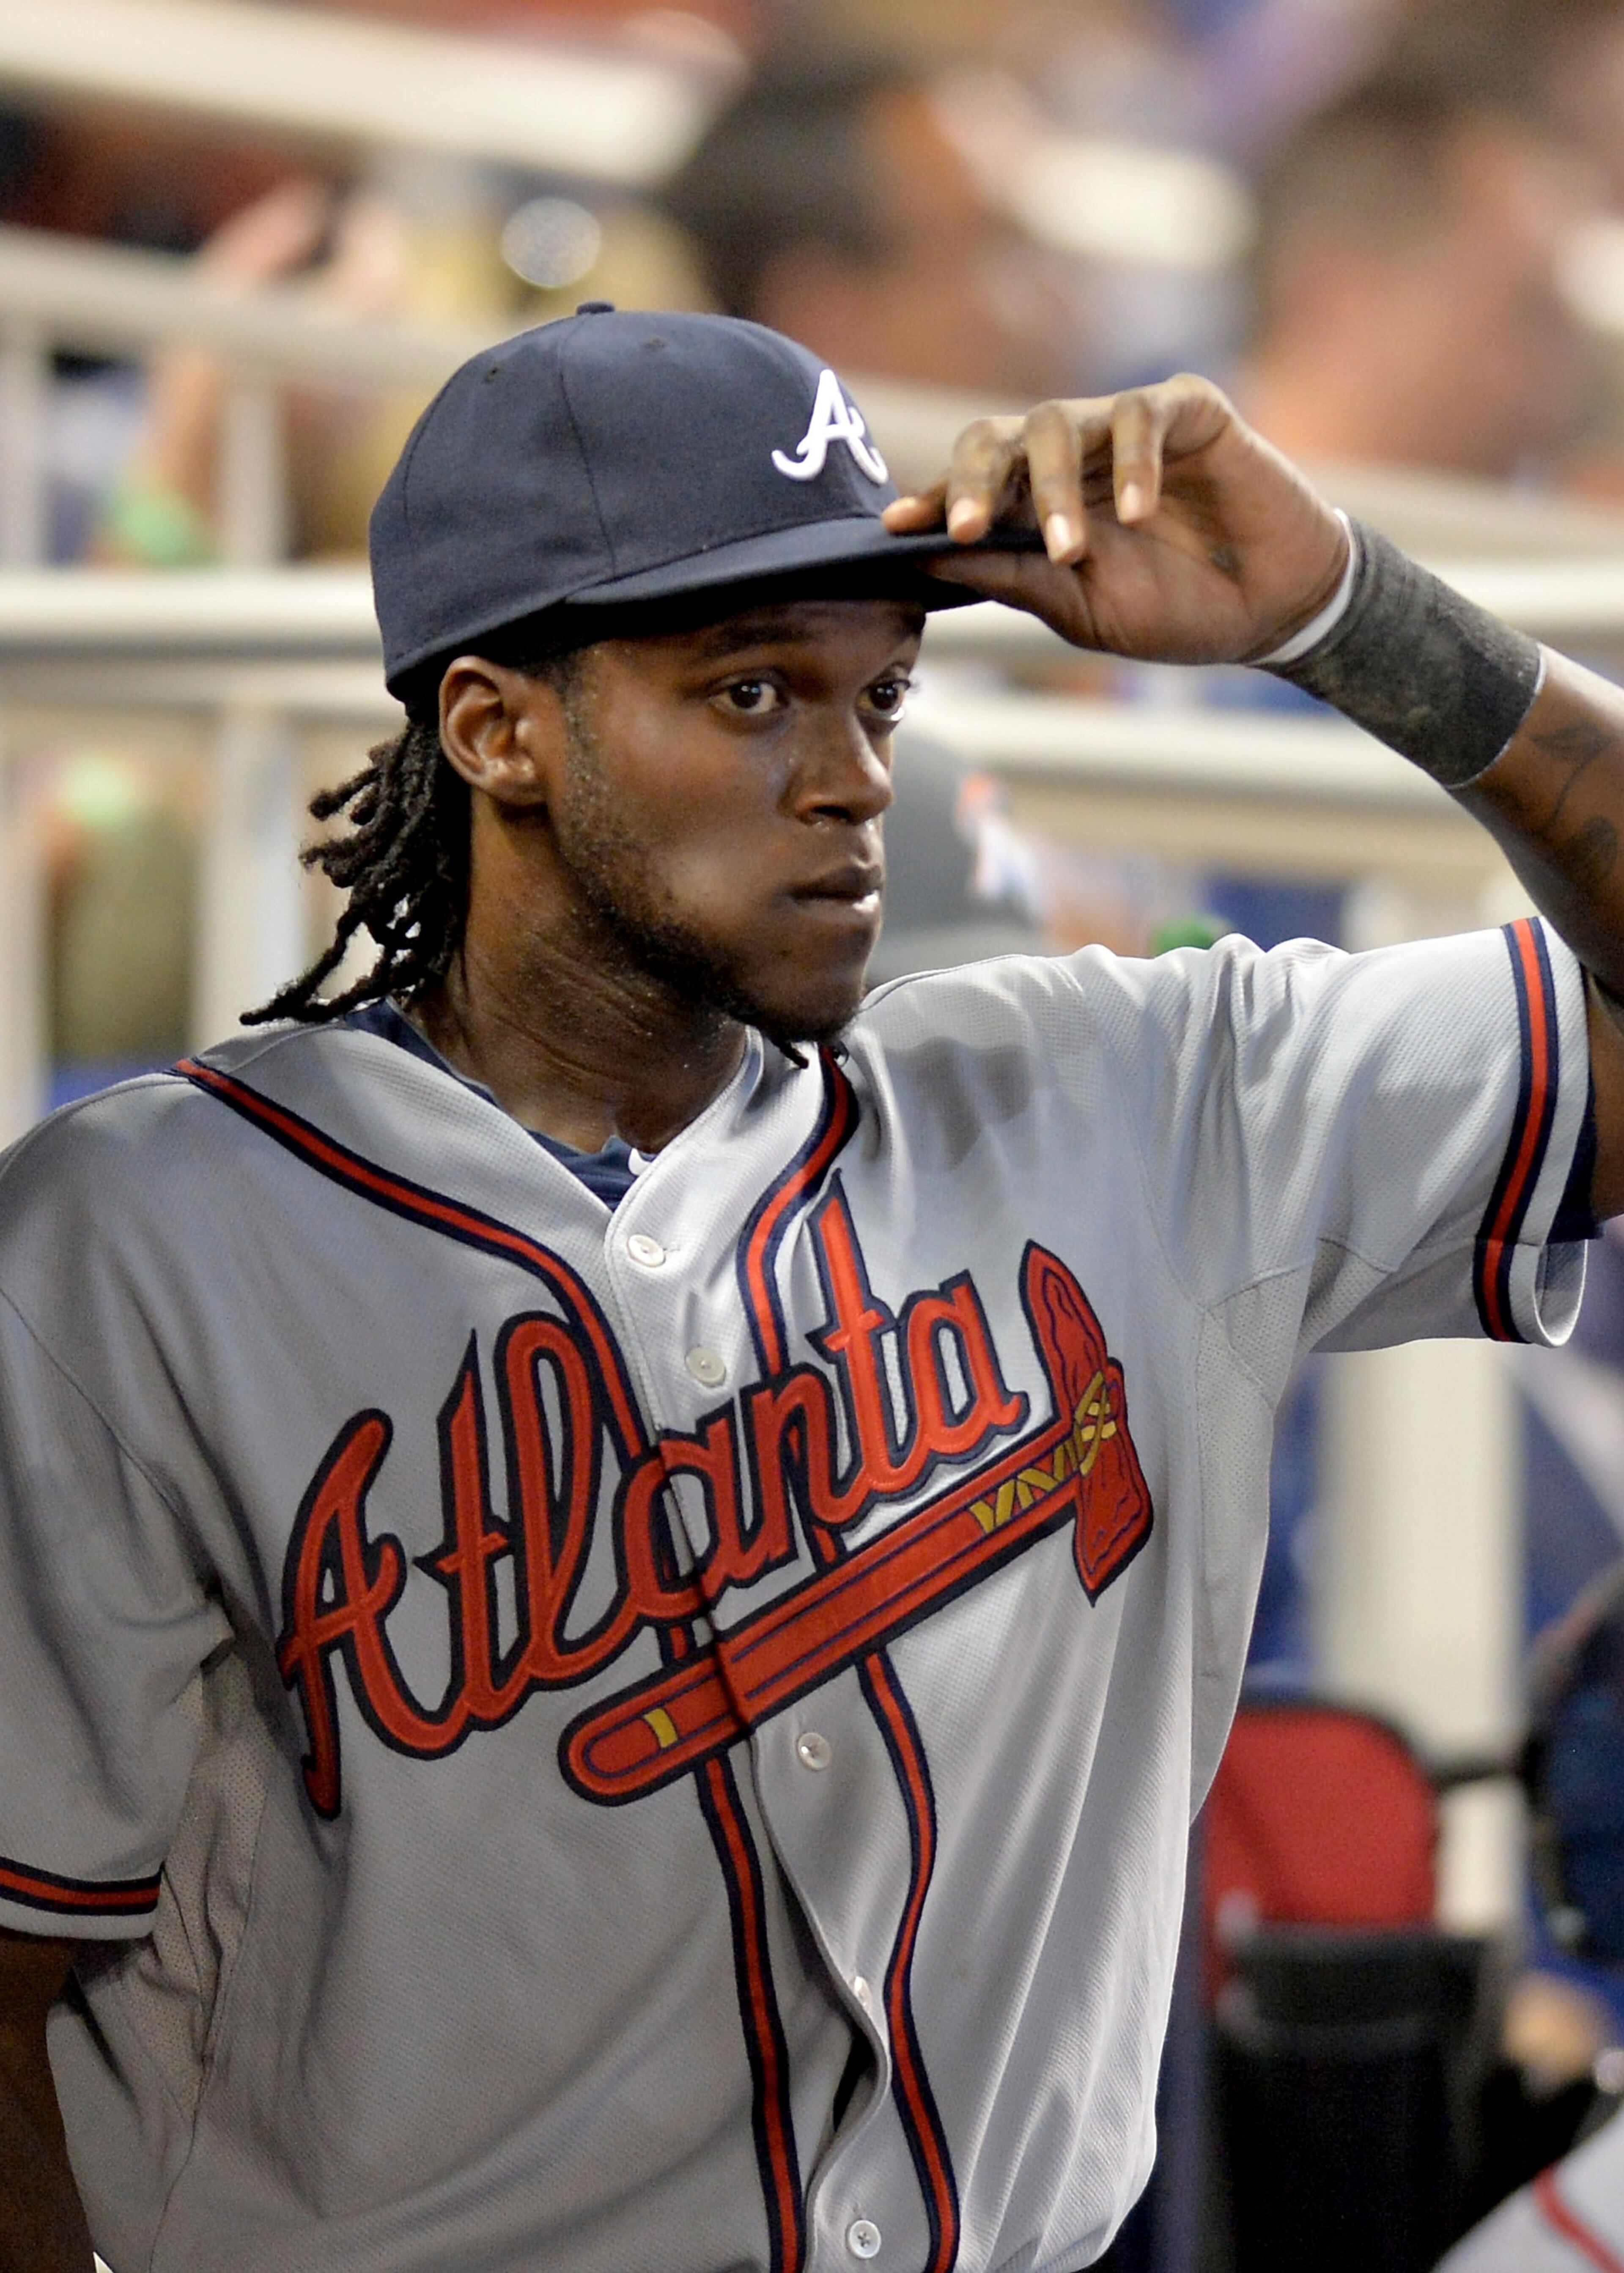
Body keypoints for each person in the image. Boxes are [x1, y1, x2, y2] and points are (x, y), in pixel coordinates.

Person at [1, 305, 1624, 2273]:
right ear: (497, 724)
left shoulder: (1125, 1090)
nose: (851, 774)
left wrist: (1346, 616)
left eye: (880, 693)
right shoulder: (139, 1236)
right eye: (754, 692)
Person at [1238, 77, 1591, 480]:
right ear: (1333, 300)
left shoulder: (1553, 520)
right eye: (1516, 323)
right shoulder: (1158, 509)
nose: (1547, 398)